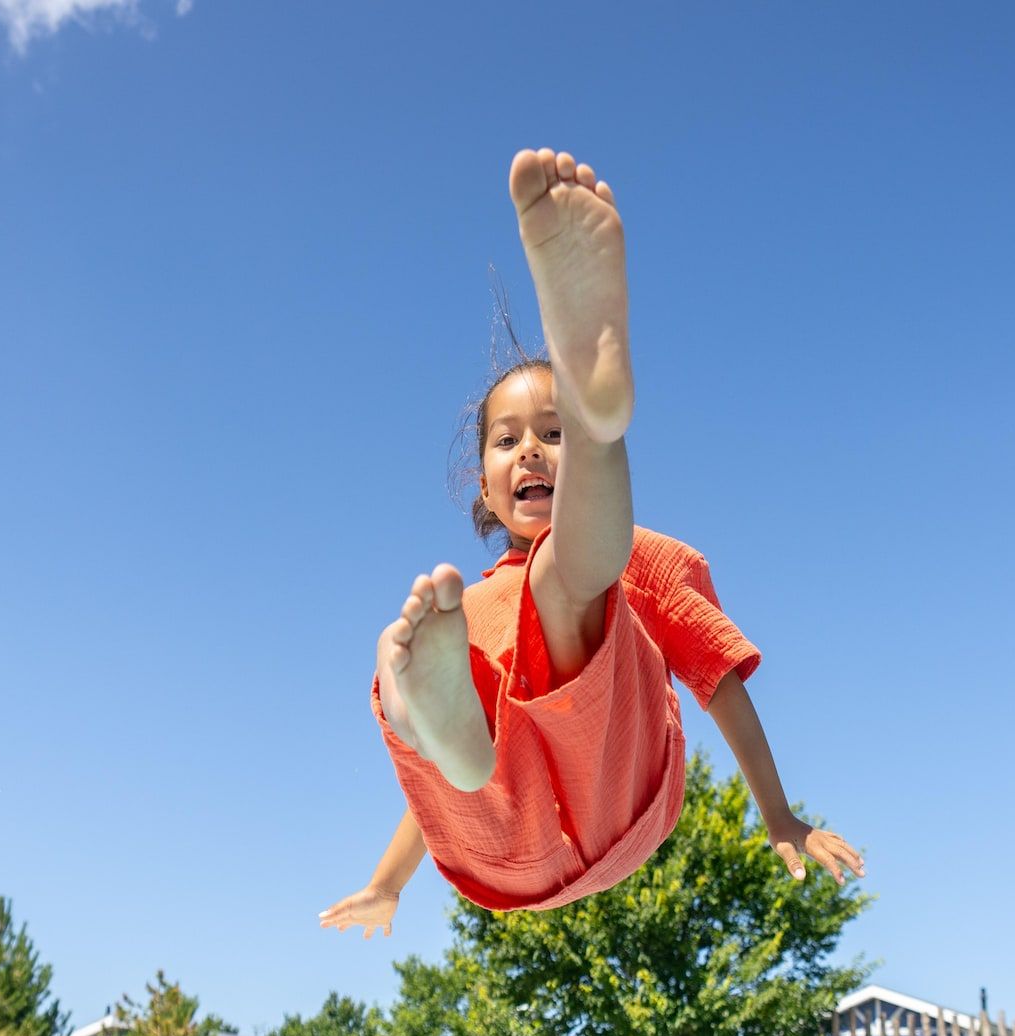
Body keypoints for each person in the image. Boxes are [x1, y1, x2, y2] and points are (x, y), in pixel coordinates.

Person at [321, 148, 862, 938]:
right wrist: (385, 885)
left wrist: (779, 814)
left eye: (555, 431)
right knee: (416, 664)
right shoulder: (467, 613)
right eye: (508, 442)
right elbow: (427, 797)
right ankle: (437, 719)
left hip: (622, 794)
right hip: (502, 835)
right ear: (482, 486)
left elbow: (718, 684)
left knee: (568, 581)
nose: (532, 451)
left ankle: (601, 412)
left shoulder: (628, 563)